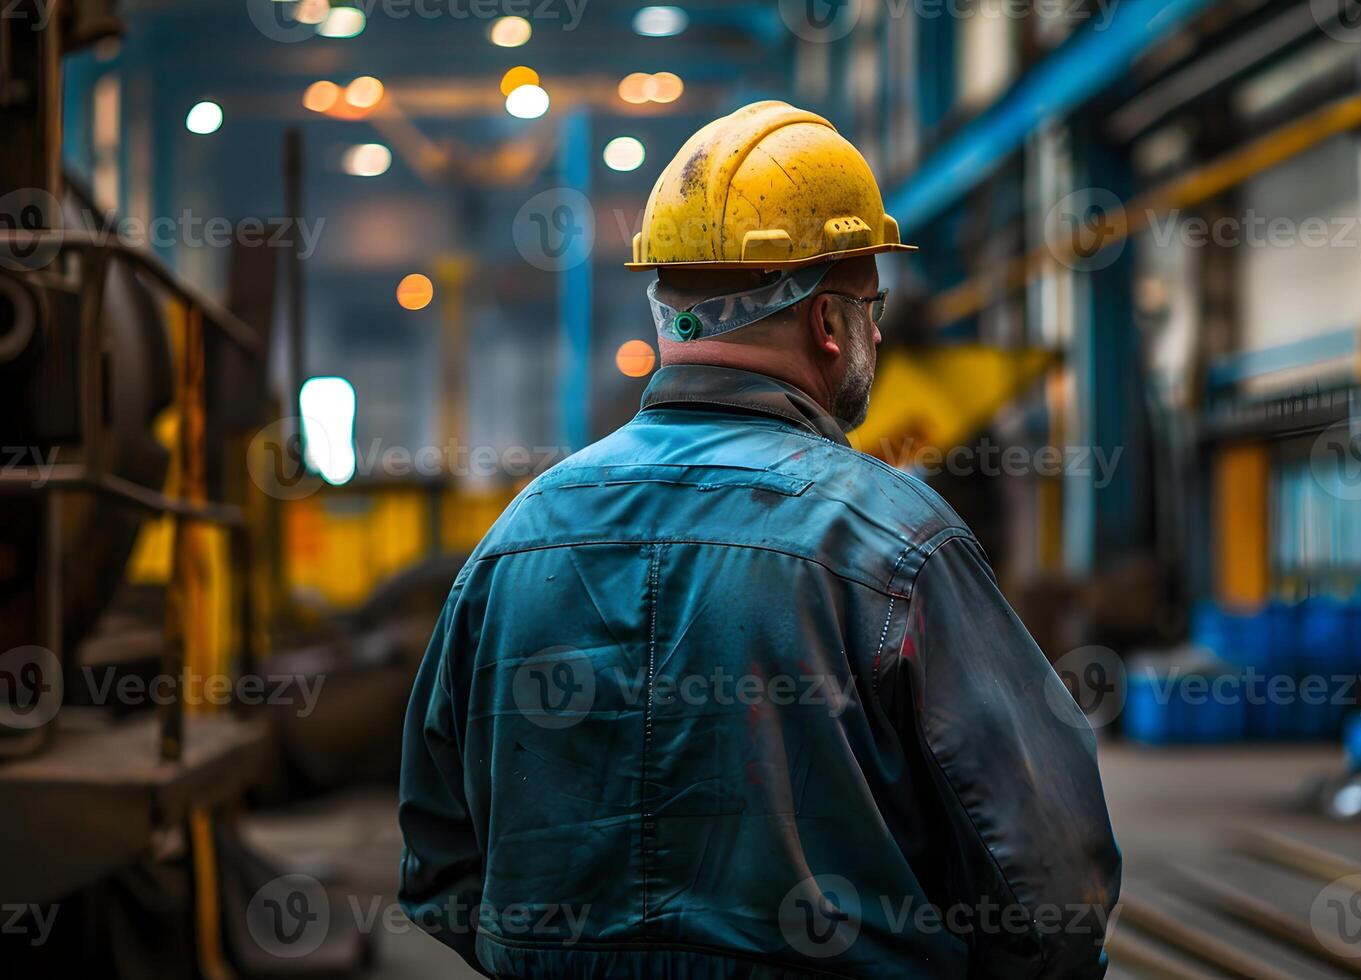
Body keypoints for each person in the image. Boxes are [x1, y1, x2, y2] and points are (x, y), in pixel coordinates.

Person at [399, 100, 1118, 978]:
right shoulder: (895, 545)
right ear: (827, 322)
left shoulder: (516, 541)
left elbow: (439, 863)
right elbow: (1047, 877)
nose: (879, 332)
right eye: (868, 304)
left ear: (668, 313)